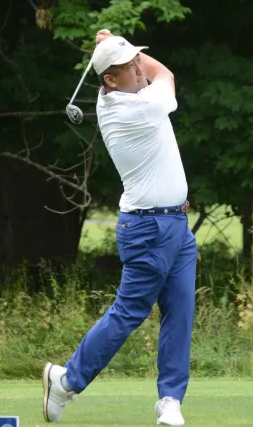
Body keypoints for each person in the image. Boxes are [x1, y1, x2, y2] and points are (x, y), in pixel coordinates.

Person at [42, 29, 198, 426]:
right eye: (130, 67)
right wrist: (122, 45)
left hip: (176, 225)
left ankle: (170, 401)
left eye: (136, 62)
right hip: (149, 229)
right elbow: (168, 76)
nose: (139, 70)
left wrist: (117, 48)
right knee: (129, 312)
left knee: (180, 312)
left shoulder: (112, 94)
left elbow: (135, 71)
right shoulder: (139, 107)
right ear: (110, 80)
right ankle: (65, 381)